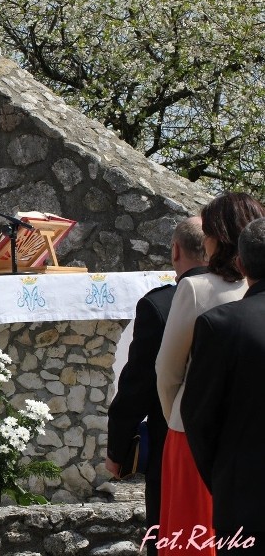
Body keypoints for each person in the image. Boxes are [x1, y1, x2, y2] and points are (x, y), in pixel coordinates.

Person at [155, 192, 265, 554]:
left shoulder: (197, 287)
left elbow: (167, 370)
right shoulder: (249, 287)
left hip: (195, 429)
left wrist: (176, 416)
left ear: (217, 235)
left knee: (191, 536)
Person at [105, 217, 208, 556]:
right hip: (230, 443)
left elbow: (138, 386)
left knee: (169, 535)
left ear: (175, 251)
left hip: (173, 443)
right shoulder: (242, 294)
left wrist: (118, 452)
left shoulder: (160, 304)